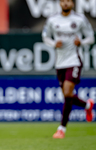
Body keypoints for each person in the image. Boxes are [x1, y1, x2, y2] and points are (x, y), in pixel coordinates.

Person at [42, 0, 95, 139]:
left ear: (72, 4)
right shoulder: (53, 20)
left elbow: (90, 37)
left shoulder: (80, 19)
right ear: (60, 3)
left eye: (68, 1)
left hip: (74, 60)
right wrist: (54, 43)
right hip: (60, 63)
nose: (66, 3)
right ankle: (87, 105)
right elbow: (45, 36)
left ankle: (61, 129)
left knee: (67, 92)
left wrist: (81, 42)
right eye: (63, 1)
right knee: (68, 95)